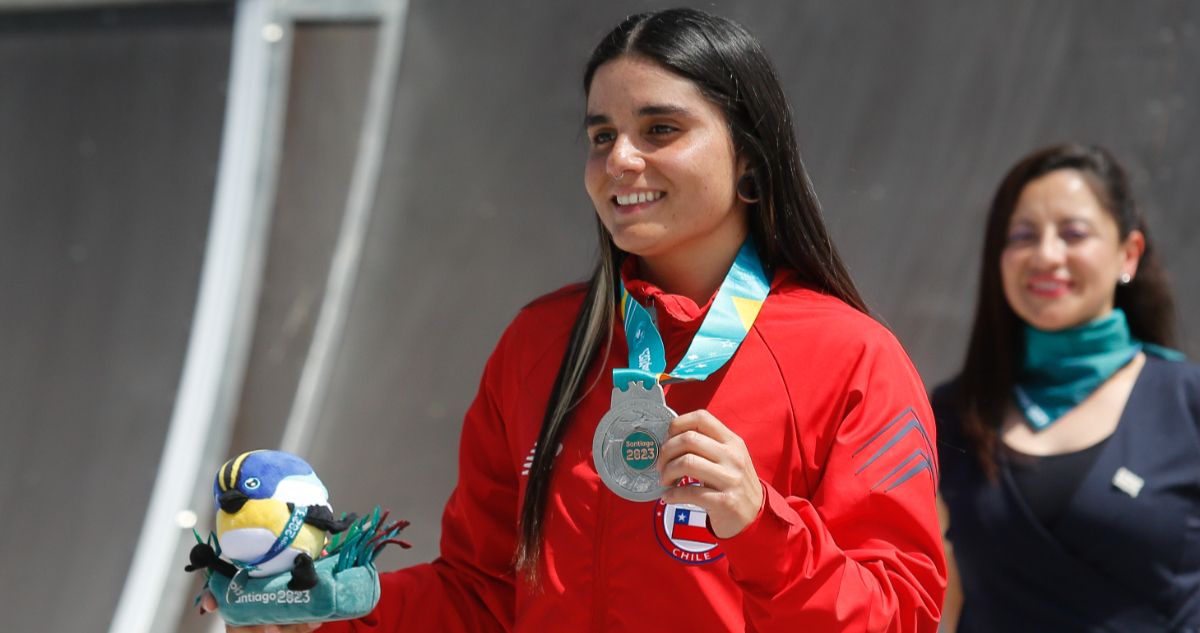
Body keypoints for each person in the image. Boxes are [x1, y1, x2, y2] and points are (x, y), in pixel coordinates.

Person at [206, 8, 945, 632]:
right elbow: (484, 594)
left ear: (751, 161)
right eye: (601, 135)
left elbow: (904, 615)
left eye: (660, 129)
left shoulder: (854, 359)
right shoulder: (540, 345)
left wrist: (764, 528)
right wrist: (329, 605)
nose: (620, 158)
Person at [935, 144, 1200, 632]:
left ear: (1129, 253)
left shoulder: (1188, 405)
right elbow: (946, 600)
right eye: (1022, 235)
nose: (1047, 254)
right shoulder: (951, 416)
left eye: (1074, 233)